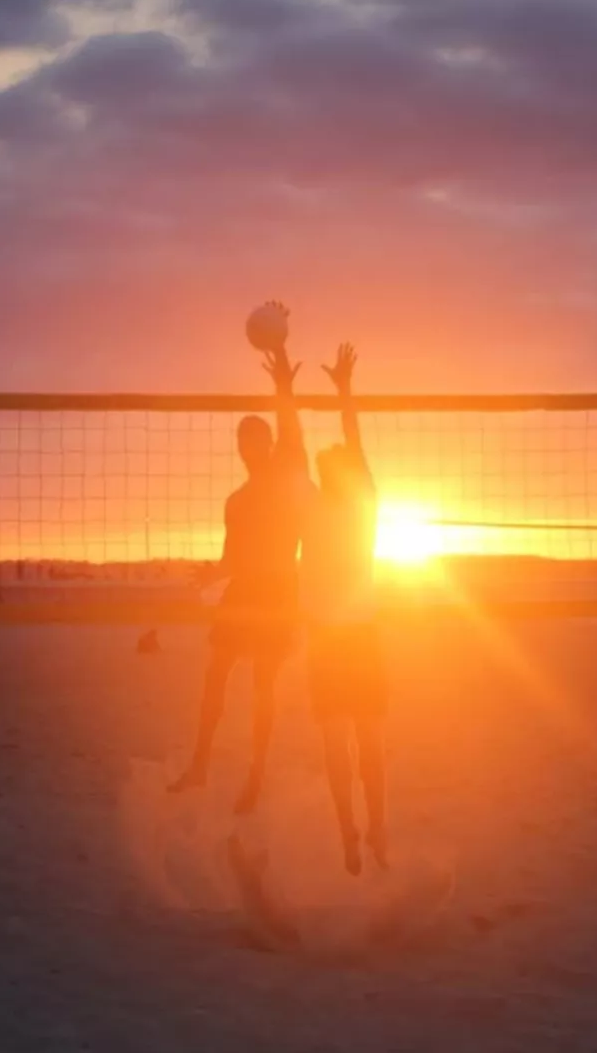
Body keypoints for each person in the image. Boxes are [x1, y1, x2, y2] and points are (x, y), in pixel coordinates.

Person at [168, 305, 309, 814]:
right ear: (240, 449)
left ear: (266, 444)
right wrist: (212, 573)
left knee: (263, 688)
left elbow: (292, 428)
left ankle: (255, 775)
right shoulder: (236, 501)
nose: (249, 446)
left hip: (278, 592)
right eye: (243, 441)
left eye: (256, 439)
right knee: (216, 675)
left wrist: (282, 368)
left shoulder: (286, 472)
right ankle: (200, 765)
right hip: (244, 588)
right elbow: (232, 558)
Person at [302, 343, 389, 874]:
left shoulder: (342, 507)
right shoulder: (354, 505)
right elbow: (353, 447)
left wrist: (343, 391)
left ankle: (360, 833)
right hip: (347, 637)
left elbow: (351, 446)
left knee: (351, 744)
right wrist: (343, 391)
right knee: (358, 743)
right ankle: (365, 832)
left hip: (343, 638)